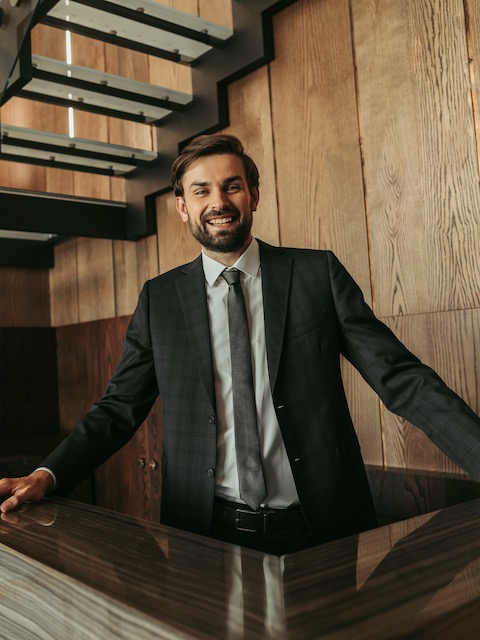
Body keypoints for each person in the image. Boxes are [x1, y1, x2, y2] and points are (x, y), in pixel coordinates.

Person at [2, 134, 480, 555]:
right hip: (204, 533)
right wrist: (49, 474)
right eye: (201, 190)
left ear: (252, 194)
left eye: (231, 185)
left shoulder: (317, 275)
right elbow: (118, 408)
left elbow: (403, 380)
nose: (219, 202)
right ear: (182, 206)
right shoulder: (160, 299)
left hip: (324, 527)